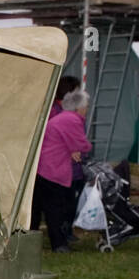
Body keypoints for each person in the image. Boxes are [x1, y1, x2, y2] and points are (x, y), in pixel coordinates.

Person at [33, 88, 92, 253]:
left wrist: (72, 149)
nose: (87, 109)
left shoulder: (62, 118)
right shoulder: (72, 120)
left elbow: (67, 141)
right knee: (55, 210)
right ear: (78, 107)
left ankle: (29, 242)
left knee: (36, 209)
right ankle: (58, 245)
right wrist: (80, 148)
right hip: (52, 170)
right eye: (86, 106)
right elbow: (82, 144)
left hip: (42, 168)